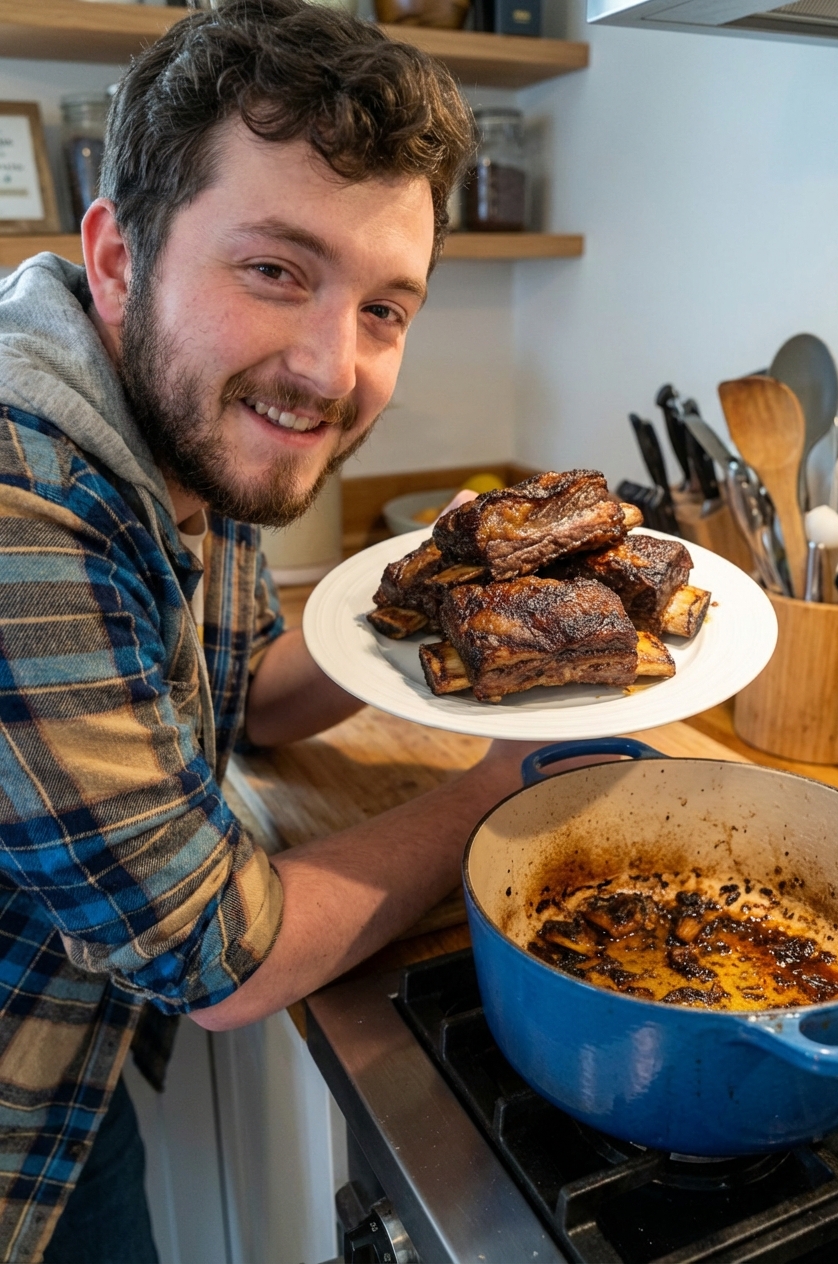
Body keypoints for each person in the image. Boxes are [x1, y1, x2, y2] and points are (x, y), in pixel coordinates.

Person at [0, 2, 544, 1259]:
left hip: (64, 1046)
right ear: (121, 258)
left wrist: (425, 584)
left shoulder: (193, 414)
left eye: (384, 309)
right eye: (276, 270)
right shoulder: (26, 502)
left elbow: (244, 690)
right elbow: (218, 958)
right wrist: (494, 795)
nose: (328, 368)